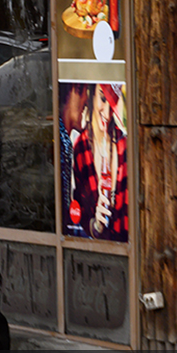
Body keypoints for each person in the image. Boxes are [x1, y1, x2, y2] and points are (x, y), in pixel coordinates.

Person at [71, 83, 128, 241]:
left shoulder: (125, 146)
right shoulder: (81, 148)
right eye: (103, 98)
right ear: (91, 95)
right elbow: (77, 214)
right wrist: (96, 226)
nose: (107, 111)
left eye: (112, 101)